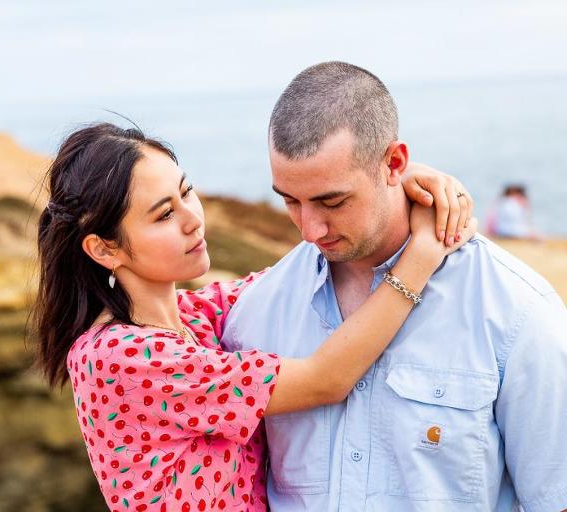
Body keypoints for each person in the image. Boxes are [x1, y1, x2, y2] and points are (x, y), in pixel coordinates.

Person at [29, 122, 475, 511]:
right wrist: (423, 255)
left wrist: (388, 184)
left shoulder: (194, 318)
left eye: (186, 192)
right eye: (164, 214)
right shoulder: (116, 357)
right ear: (103, 248)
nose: (193, 220)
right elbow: (327, 379)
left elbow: (298, 270)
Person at [222, 61, 567, 512]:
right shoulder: (254, 311)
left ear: (395, 163)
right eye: (290, 200)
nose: (309, 229)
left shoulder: (517, 312)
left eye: (332, 201)